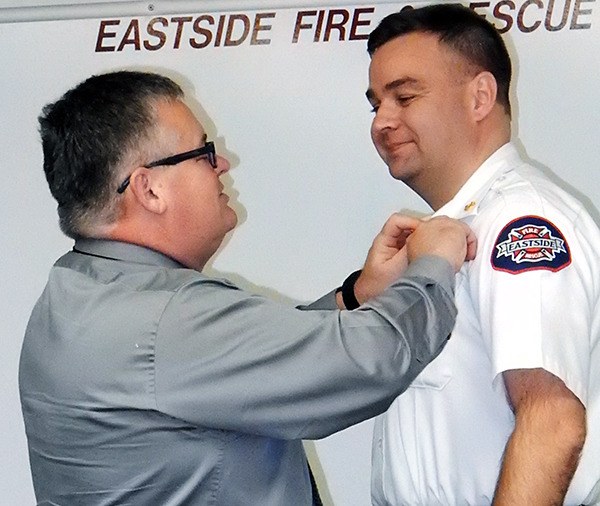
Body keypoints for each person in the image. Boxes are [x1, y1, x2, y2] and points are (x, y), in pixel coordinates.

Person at [19, 70, 475, 505]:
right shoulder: (166, 321)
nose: (222, 163)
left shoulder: (75, 292)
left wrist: (355, 298)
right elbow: (368, 361)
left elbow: (241, 363)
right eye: (202, 152)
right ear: (149, 190)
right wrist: (433, 264)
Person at [365, 4, 600, 505]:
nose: (383, 121)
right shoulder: (448, 231)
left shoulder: (519, 219)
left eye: (404, 96)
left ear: (480, 97)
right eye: (375, 104)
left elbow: (552, 420)